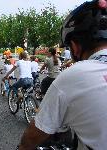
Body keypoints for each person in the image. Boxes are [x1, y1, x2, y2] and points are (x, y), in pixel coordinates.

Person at [18, 0, 107, 149]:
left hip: (51, 79)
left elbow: (31, 137)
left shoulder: (75, 75)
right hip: (52, 74)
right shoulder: (58, 60)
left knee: (46, 85)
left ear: (74, 46)